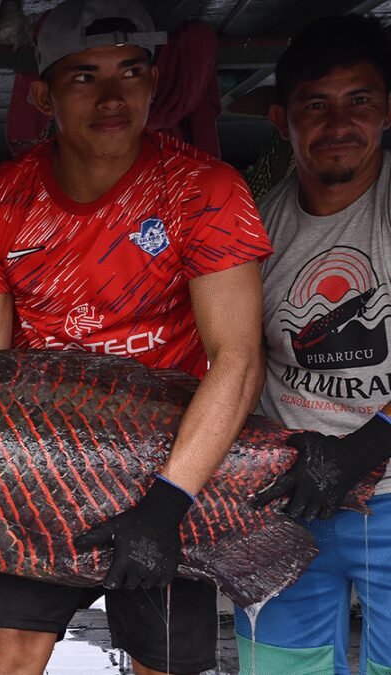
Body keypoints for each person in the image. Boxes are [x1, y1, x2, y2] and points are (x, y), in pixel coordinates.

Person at [0, 0, 273, 673]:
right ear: (44, 96)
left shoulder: (204, 189)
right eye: (84, 76)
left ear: (154, 83)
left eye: (130, 71)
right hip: (38, 466)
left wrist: (168, 503)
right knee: (13, 656)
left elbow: (238, 360)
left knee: (165, 663)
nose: (113, 96)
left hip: (171, 463)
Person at [236, 15, 391, 674]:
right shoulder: (253, 228)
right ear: (282, 119)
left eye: (359, 100)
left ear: (388, 110)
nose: (339, 123)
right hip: (288, 497)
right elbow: (236, 361)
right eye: (315, 104)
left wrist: (365, 447)